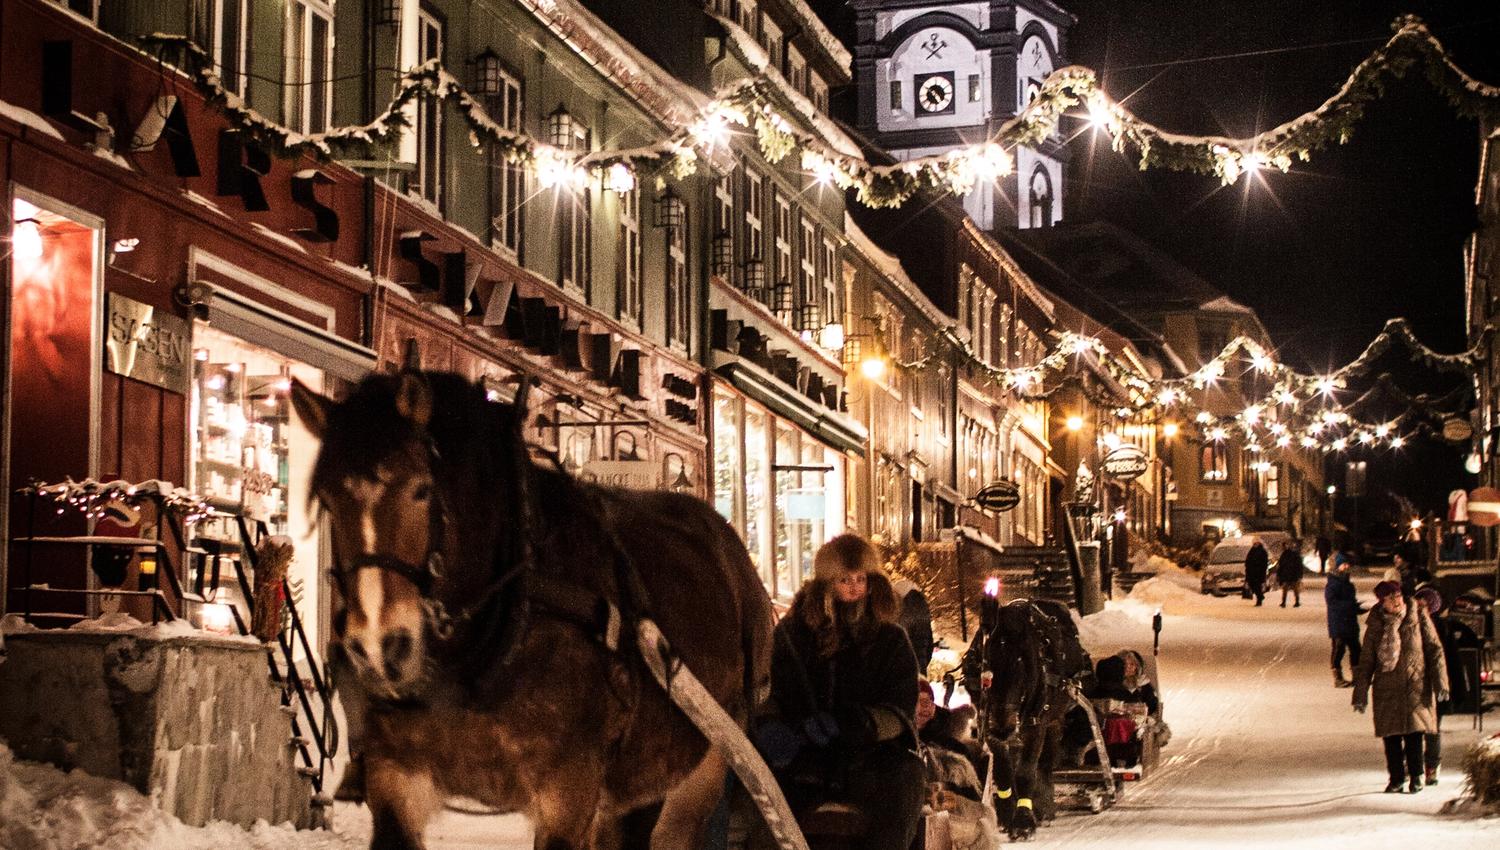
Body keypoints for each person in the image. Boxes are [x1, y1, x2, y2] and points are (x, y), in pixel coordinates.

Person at [756, 534, 924, 850]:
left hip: (870, 758)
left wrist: (857, 724)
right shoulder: (792, 634)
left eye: (861, 579)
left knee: (907, 777)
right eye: (845, 580)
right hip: (802, 756)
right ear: (827, 583)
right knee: (761, 797)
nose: (854, 587)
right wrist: (771, 728)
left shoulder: (891, 639)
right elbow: (767, 689)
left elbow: (900, 706)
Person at [1351, 580, 1449, 794]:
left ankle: (1417, 776)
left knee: (1414, 734)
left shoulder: (1418, 615)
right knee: (1391, 737)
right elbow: (1367, 660)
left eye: (1397, 596)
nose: (1395, 601)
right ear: (1381, 602)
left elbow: (1434, 650)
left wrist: (1441, 682)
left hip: (1415, 684)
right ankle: (1396, 779)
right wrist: (1360, 694)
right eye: (1389, 598)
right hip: (1386, 688)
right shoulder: (1376, 623)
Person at [916, 680, 998, 850]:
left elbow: (971, 796)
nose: (924, 708)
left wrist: (947, 796)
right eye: (918, 702)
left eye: (928, 702)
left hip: (946, 814)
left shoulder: (952, 747)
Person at [1413, 584, 1483, 785]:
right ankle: (1417, 766)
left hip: (1436, 687)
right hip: (1415, 686)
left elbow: (1453, 661)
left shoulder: (1442, 628)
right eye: (1419, 603)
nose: (1421, 607)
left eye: (1425, 604)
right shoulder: (1409, 625)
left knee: (1432, 728)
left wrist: (1457, 689)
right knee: (1416, 728)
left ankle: (1431, 767)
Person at [1324, 555, 1362, 688]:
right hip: (1338, 622)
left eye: (1347, 564)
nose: (1346, 567)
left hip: (1350, 622)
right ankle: (1338, 677)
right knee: (1338, 649)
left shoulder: (1349, 585)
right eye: (1343, 564)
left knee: (1356, 649)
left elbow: (1351, 602)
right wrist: (1350, 606)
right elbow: (1332, 603)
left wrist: (1358, 608)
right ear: (1337, 566)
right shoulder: (1332, 584)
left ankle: (1357, 676)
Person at [1275, 540, 1304, 608]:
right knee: (1292, 589)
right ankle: (1292, 602)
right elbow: (1281, 566)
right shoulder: (1286, 555)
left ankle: (1289, 602)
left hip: (1291, 574)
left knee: (1291, 589)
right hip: (1290, 574)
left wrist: (1279, 574)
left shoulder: (1288, 555)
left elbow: (1299, 565)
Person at [1243, 538, 1269, 607]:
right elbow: (1248, 559)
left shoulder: (1262, 551)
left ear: (1259, 544)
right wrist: (1247, 567)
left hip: (1259, 572)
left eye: (1256, 543)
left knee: (1257, 586)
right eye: (1254, 543)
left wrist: (1262, 570)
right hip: (1251, 572)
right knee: (1252, 585)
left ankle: (1259, 600)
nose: (1255, 545)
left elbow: (1264, 562)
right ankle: (1260, 596)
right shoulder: (1252, 550)